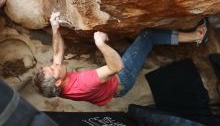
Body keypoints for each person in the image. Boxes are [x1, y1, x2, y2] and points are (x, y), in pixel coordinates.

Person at [34, 12, 208, 106]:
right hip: (121, 80)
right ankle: (197, 36)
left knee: (127, 47)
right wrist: (100, 44)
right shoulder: (84, 82)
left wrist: (55, 29)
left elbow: (57, 54)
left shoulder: (57, 85)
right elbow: (117, 66)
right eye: (52, 68)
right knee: (147, 35)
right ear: (57, 82)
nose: (54, 65)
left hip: (107, 88)